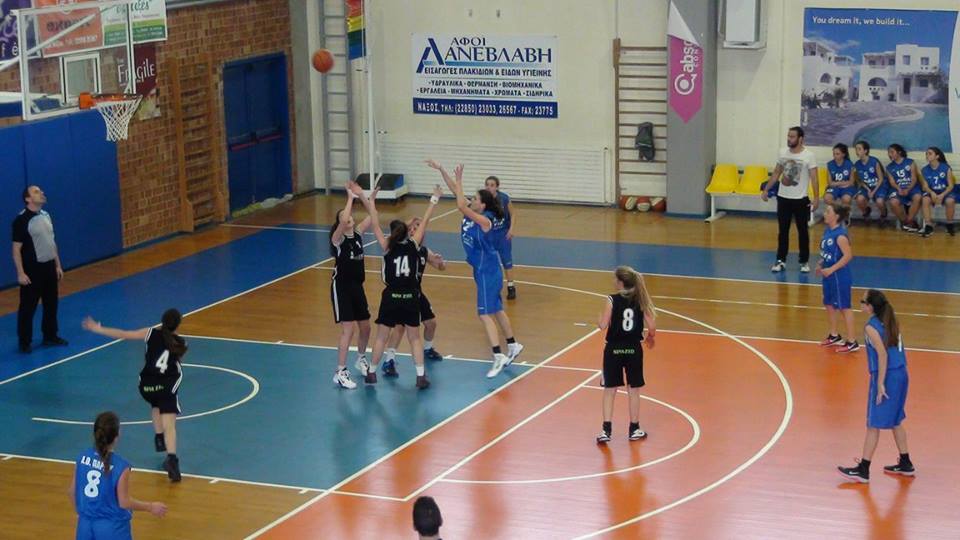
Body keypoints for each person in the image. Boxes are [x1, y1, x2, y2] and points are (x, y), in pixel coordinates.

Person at [428, 160, 524, 377]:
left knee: (484, 314)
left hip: (487, 270)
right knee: (497, 309)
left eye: (475, 199)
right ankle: (513, 345)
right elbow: (457, 193)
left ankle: (498, 355)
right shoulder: (471, 213)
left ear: (483, 205)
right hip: (482, 269)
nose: (471, 201)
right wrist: (442, 169)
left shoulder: (485, 221)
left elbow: (461, 205)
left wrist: (460, 179)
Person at [82, 309, 186, 482]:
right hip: (166, 386)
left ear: (162, 321)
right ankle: (172, 461)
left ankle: (159, 437)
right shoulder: (180, 342)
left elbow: (124, 334)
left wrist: (98, 328)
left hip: (147, 386)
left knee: (155, 403)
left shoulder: (150, 333)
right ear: (177, 325)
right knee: (170, 425)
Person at [356, 183, 442, 389]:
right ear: (407, 232)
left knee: (381, 337)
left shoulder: (387, 246)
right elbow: (425, 221)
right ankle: (420, 376)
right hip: (411, 296)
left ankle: (372, 372)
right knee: (414, 338)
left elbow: (375, 223)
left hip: (391, 296)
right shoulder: (413, 245)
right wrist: (434, 198)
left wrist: (371, 201)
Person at [838, 289, 914, 483]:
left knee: (873, 424)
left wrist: (880, 383)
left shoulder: (871, 327)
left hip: (887, 376)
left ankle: (863, 469)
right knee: (896, 420)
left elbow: (882, 354)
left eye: (862, 301)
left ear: (870, 307)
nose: (860, 303)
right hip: (902, 374)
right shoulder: (890, 320)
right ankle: (906, 463)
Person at [71, 411, 167, 540]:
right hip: (112, 529)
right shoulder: (121, 466)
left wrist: (83, 513)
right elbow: (124, 502)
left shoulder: (82, 457)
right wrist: (150, 507)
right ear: (117, 436)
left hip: (85, 526)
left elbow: (72, 492)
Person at [595, 266, 657, 444]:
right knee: (633, 390)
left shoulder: (611, 300)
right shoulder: (640, 300)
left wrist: (598, 319)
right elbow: (652, 326)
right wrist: (650, 337)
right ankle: (634, 428)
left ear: (621, 282)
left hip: (613, 350)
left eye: (615, 279)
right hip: (633, 350)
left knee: (610, 390)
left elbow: (603, 325)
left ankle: (606, 430)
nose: (614, 282)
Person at [381, 216, 447, 377]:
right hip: (403, 294)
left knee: (431, 323)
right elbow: (393, 236)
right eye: (411, 229)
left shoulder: (424, 251)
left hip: (417, 293)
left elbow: (441, 267)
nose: (413, 231)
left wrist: (440, 262)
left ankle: (428, 349)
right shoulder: (401, 247)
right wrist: (408, 222)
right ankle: (389, 360)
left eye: (416, 228)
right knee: (400, 327)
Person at [329, 184, 379, 389]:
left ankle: (360, 358)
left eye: (349, 215)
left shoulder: (357, 234)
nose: (348, 218)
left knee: (366, 327)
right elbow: (342, 221)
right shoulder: (338, 239)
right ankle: (340, 371)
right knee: (348, 330)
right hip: (341, 287)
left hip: (357, 287)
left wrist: (366, 198)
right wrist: (350, 198)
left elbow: (373, 216)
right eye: (344, 216)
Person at [13, 185, 68, 353]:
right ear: (28, 199)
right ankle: (24, 341)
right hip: (32, 270)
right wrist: (21, 273)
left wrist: (57, 265)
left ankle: (50, 335)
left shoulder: (46, 215)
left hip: (49, 266)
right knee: (28, 307)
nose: (42, 193)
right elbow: (16, 250)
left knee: (51, 303)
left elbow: (52, 242)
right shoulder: (21, 221)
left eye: (41, 191)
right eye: (36, 192)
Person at [761, 127, 820, 273]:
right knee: (783, 231)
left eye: (792, 136)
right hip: (783, 199)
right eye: (788, 136)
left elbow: (814, 178)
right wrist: (766, 189)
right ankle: (780, 260)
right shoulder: (782, 152)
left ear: (800, 139)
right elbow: (776, 172)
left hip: (801, 199)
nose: (789, 139)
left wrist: (816, 198)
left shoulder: (809, 156)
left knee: (803, 231)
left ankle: (804, 261)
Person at [816, 202, 858, 353]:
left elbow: (848, 256)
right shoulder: (828, 231)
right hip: (828, 276)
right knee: (829, 304)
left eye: (828, 212)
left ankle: (852, 341)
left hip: (839, 276)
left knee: (844, 307)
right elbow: (830, 253)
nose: (825, 214)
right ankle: (834, 335)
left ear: (836, 216)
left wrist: (831, 269)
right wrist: (821, 263)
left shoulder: (840, 235)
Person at [484, 176, 518, 300]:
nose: (489, 187)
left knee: (507, 261)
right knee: (490, 262)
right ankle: (492, 287)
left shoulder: (504, 198)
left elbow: (513, 214)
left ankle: (511, 286)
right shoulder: (483, 200)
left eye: (492, 185)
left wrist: (511, 229)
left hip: (503, 234)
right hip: (490, 235)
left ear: (497, 187)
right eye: (487, 185)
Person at [918, 146, 956, 237]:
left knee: (950, 201)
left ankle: (949, 225)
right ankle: (928, 226)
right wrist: (932, 193)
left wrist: (942, 195)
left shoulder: (946, 168)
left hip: (944, 191)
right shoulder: (924, 170)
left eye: (930, 153)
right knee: (925, 200)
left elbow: (951, 185)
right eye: (926, 154)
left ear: (937, 156)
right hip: (932, 191)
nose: (927, 155)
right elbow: (925, 186)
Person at [885, 144, 922, 233]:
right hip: (897, 188)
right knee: (893, 202)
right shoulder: (889, 167)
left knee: (918, 197)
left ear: (899, 152)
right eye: (889, 152)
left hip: (911, 187)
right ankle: (906, 221)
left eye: (892, 152)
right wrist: (899, 189)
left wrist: (908, 189)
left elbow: (914, 178)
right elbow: (892, 182)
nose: (890, 154)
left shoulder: (910, 162)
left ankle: (909, 221)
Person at [852, 141, 888, 226]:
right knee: (859, 199)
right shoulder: (857, 164)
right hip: (867, 187)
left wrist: (873, 192)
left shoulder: (874, 162)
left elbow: (881, 178)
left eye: (859, 149)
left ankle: (883, 214)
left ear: (865, 151)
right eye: (856, 149)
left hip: (878, 186)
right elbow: (859, 180)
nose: (857, 151)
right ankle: (866, 212)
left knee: (879, 201)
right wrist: (868, 189)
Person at [824, 143, 855, 212]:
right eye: (834, 154)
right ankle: (839, 207)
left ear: (843, 154)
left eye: (837, 154)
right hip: (835, 187)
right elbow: (830, 183)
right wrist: (842, 183)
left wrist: (836, 183)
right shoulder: (830, 164)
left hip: (846, 188)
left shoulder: (849, 164)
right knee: (827, 198)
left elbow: (852, 182)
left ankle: (845, 215)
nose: (835, 156)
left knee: (846, 199)